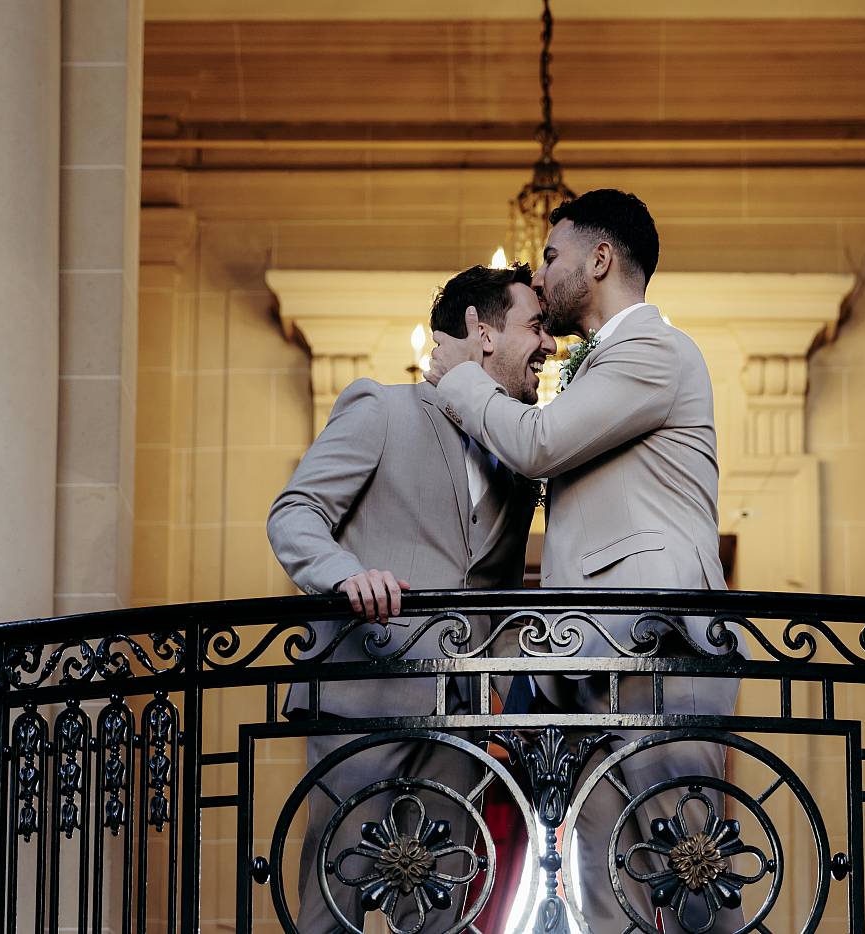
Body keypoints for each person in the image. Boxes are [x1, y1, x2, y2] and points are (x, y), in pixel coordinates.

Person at [426, 189, 743, 933]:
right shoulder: (602, 364)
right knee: (605, 888)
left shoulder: (654, 349)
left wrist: (464, 378)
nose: (539, 277)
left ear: (600, 260)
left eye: (551, 256)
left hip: (657, 655)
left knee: (690, 875)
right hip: (592, 664)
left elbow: (540, 443)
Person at [268, 262, 555, 933]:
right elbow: (295, 512)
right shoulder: (382, 408)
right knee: (335, 901)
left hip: (461, 720)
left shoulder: (520, 462)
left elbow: (502, 597)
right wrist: (344, 574)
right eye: (535, 326)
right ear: (482, 332)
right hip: (366, 697)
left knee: (441, 910)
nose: (548, 344)